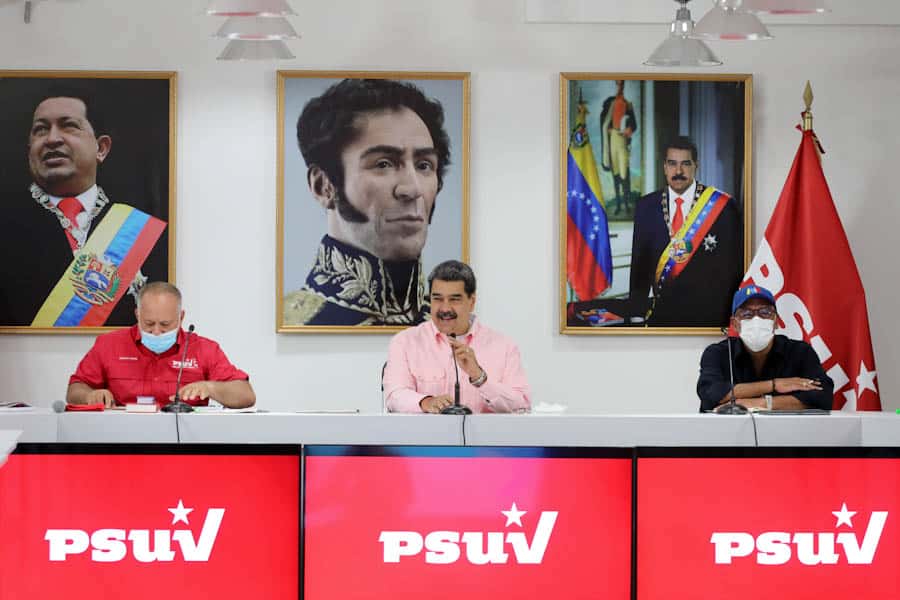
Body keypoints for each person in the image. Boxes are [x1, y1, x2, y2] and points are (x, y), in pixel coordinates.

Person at [283, 78, 452, 326]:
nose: (413, 188)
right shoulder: (293, 323)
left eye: (424, 165)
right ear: (323, 186)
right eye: (383, 164)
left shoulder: (454, 329)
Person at [0, 87, 167, 327]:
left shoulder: (140, 229)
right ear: (29, 152)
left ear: (101, 149)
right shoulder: (6, 221)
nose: (52, 138)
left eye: (68, 125)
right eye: (41, 129)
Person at [67, 282, 255, 409]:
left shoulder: (204, 349)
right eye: (149, 324)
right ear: (137, 315)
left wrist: (211, 388)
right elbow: (75, 390)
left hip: (186, 449)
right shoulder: (109, 344)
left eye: (165, 325)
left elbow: (246, 395)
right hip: (120, 444)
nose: (156, 332)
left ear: (181, 317)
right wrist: (90, 396)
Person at [383, 260, 530, 414]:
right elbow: (394, 396)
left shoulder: (504, 346)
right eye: (437, 299)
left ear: (471, 302)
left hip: (487, 438)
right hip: (423, 437)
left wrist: (479, 377)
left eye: (454, 299)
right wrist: (427, 402)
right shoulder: (405, 342)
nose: (445, 308)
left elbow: (521, 404)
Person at [629, 136, 742, 326]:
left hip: (708, 317)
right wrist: (636, 316)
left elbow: (732, 270)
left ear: (696, 165)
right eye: (672, 164)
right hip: (662, 317)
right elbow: (639, 267)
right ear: (664, 166)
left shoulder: (722, 207)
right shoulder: (646, 206)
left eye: (685, 164)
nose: (678, 171)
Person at [697, 284, 833, 412]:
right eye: (747, 314)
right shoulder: (717, 353)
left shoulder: (800, 352)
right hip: (727, 434)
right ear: (735, 324)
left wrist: (760, 403)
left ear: (776, 322)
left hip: (787, 433)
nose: (756, 319)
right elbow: (710, 394)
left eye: (765, 312)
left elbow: (823, 396)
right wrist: (774, 385)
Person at [599, 79, 637, 215]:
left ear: (624, 86)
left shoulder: (627, 104)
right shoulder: (610, 103)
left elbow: (634, 124)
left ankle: (626, 204)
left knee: (624, 173)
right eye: (618, 84)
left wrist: (629, 130)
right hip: (613, 139)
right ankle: (619, 205)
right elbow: (604, 119)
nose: (619, 86)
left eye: (622, 84)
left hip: (622, 140)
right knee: (615, 173)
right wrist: (608, 129)